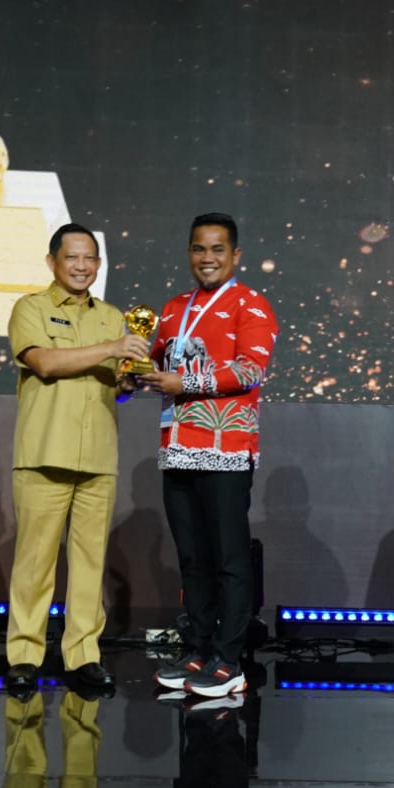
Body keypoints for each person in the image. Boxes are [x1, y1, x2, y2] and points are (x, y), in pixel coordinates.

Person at [137, 212, 279, 700]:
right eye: (199, 249)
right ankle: (197, 649)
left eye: (218, 249)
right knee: (192, 559)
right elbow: (157, 365)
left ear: (235, 255)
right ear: (189, 253)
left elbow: (250, 370)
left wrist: (185, 382)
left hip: (226, 449)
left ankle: (229, 658)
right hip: (177, 448)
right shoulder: (174, 307)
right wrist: (133, 374)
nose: (207, 258)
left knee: (229, 559)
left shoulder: (251, 305)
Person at [4, 224, 147, 696]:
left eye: (90, 259)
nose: (82, 266)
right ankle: (25, 656)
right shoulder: (31, 308)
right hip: (44, 453)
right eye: (73, 257)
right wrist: (112, 349)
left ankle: (83, 655)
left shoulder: (112, 317)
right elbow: (44, 363)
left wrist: (127, 383)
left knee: (89, 564)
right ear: (53, 262)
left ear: (99, 265)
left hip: (98, 457)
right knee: (34, 563)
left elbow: (114, 386)